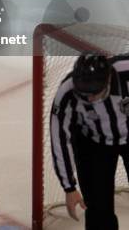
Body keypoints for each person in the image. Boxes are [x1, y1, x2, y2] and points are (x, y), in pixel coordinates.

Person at [50, 54, 129, 229]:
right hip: (93, 143)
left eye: (95, 92)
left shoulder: (125, 70)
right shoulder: (67, 92)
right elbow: (60, 139)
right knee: (98, 209)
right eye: (83, 93)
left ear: (109, 79)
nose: (89, 99)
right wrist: (69, 187)